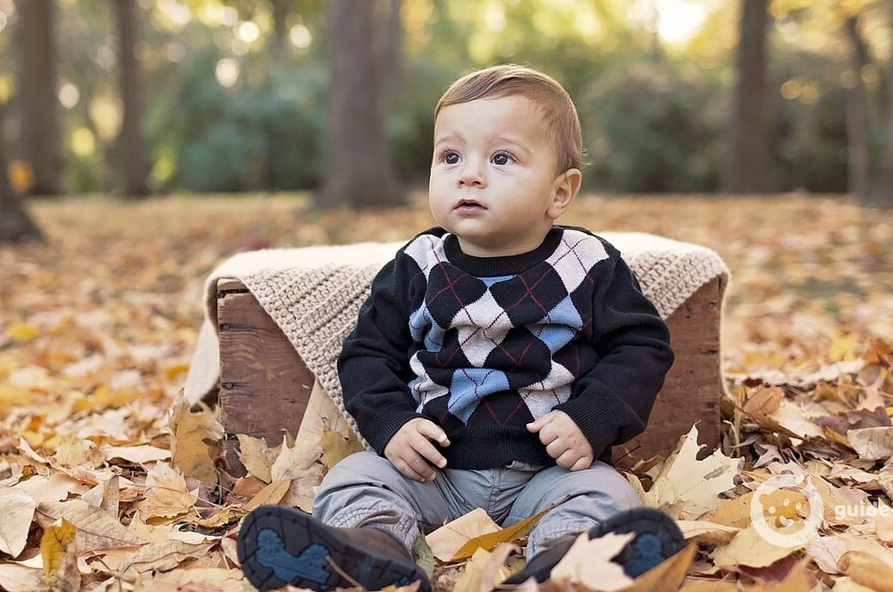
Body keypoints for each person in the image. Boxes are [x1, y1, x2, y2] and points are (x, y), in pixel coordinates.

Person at [237, 65, 685, 591]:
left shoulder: (586, 264)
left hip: (549, 471)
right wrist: (391, 425)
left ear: (560, 192)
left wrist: (592, 418)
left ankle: (566, 568)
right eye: (450, 157)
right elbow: (366, 354)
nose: (469, 174)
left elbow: (642, 345)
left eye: (502, 158)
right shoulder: (420, 264)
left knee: (605, 494)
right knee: (355, 479)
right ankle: (372, 557)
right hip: (435, 472)